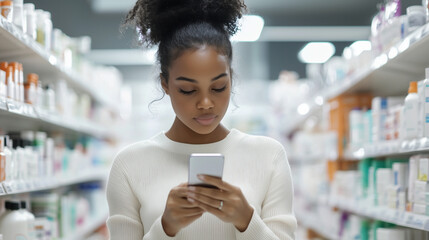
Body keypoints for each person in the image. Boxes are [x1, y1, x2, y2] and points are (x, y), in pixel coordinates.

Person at [106, 0, 297, 239]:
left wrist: (246, 220)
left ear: (231, 78)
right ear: (165, 84)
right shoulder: (129, 165)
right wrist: (165, 228)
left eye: (218, 87)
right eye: (188, 90)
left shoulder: (269, 156)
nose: (206, 103)